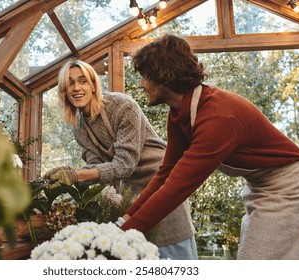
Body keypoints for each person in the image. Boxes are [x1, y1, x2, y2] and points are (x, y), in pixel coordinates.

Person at [117, 34, 299, 260]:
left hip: (287, 183)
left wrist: (121, 237)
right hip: (260, 184)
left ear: (162, 74)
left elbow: (175, 189)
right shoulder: (178, 114)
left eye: (144, 75)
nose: (142, 84)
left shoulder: (218, 116)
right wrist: (121, 221)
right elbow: (165, 174)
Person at [44, 59, 198, 260]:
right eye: (70, 83)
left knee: (175, 253)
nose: (77, 88)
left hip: (159, 183)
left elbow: (124, 165)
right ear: (64, 90)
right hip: (128, 194)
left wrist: (76, 175)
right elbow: (97, 169)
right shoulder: (80, 127)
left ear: (93, 85)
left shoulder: (122, 105)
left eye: (82, 81)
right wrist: (68, 172)